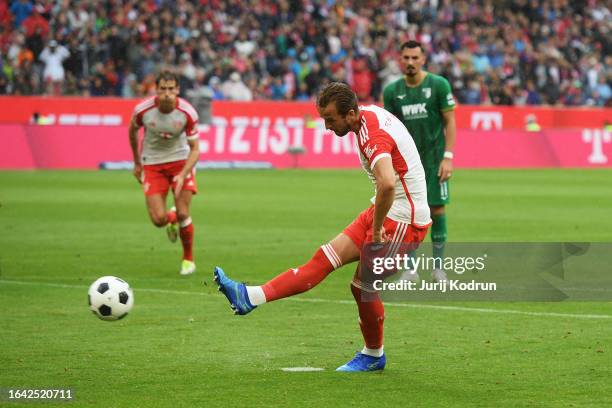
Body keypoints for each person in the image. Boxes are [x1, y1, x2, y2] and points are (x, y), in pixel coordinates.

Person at [214, 82, 431, 371]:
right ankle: (249, 297)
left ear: (351, 113)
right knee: (323, 258)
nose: (327, 126)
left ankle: (373, 355)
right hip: (385, 209)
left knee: (363, 286)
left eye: (330, 119)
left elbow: (388, 183)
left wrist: (377, 229)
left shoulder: (372, 134)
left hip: (403, 219)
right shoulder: (365, 119)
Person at [383, 40, 456, 283]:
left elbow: (450, 122)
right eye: (406, 58)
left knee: (436, 209)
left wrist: (448, 156)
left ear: (423, 59)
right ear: (400, 60)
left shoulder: (438, 85)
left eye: (415, 58)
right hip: (407, 164)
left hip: (435, 160)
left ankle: (438, 268)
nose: (411, 62)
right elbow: (390, 129)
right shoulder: (392, 92)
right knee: (409, 214)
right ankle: (410, 270)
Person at [128, 71, 200, 276]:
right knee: (158, 220)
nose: (167, 93)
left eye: (171, 89)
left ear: (177, 90)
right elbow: (132, 130)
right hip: (152, 163)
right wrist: (137, 162)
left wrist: (183, 172)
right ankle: (171, 218)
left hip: (181, 162)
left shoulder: (188, 113)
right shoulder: (143, 110)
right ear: (156, 90)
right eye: (163, 89)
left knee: (184, 211)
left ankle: (188, 259)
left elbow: (196, 149)